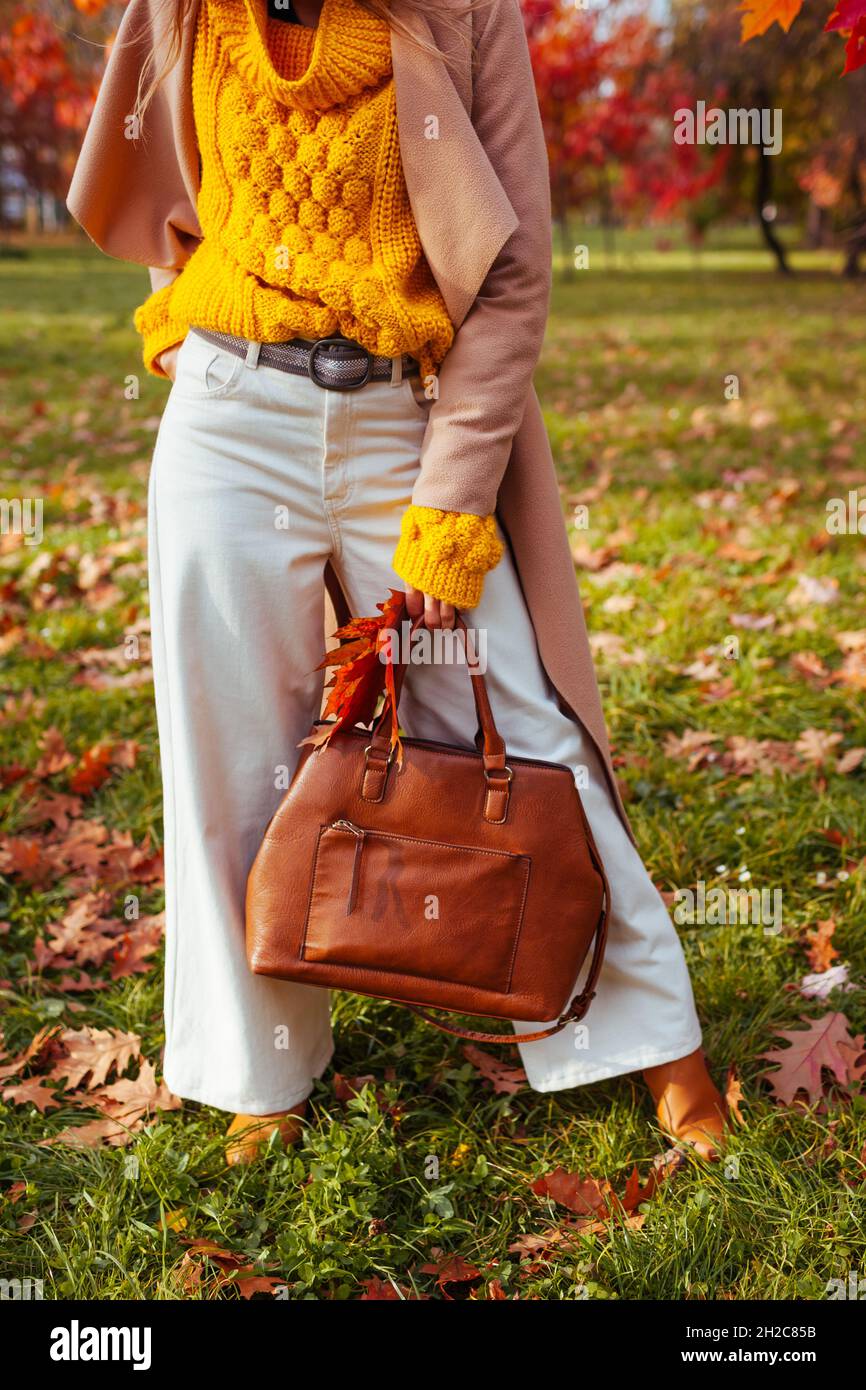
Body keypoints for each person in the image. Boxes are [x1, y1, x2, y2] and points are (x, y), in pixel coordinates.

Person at [67, 0, 726, 1165]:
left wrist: (448, 508)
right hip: (227, 426)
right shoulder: (181, 5)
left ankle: (650, 1037)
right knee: (230, 751)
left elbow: (512, 271)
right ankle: (259, 1073)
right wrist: (190, 315)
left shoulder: (461, 13)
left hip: (404, 425)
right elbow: (170, 183)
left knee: (523, 724)